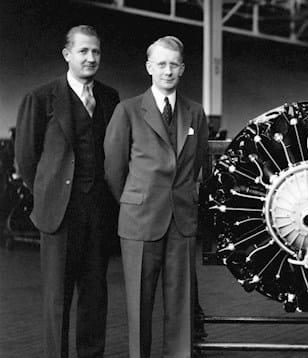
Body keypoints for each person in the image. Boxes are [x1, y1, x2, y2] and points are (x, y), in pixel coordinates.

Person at [14, 25, 120, 358]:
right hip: (59, 214)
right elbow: (27, 159)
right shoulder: (41, 97)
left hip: (99, 213)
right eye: (84, 51)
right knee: (57, 298)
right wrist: (49, 194)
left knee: (95, 294)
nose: (91, 58)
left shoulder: (109, 97)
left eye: (96, 52)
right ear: (67, 55)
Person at [104, 36, 209, 358]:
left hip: (181, 221)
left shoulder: (195, 113)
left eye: (173, 64)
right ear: (149, 67)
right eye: (161, 64)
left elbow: (201, 163)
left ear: (182, 68)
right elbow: (114, 168)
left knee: (181, 305)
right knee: (139, 303)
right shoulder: (128, 110)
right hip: (140, 221)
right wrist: (136, 199)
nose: (167, 70)